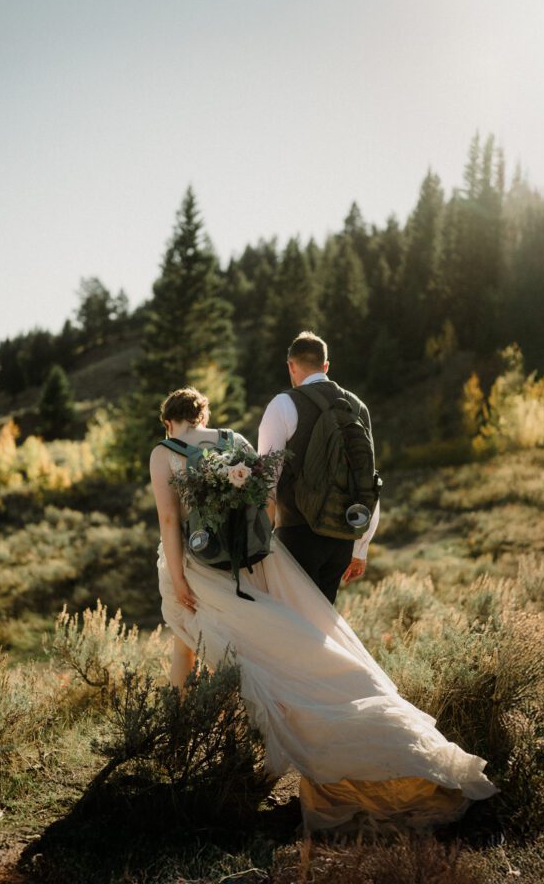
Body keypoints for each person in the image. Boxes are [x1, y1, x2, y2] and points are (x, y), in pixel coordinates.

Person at [150, 385, 497, 835]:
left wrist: (178, 578)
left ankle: (179, 736)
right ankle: (193, 731)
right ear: (203, 414)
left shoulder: (164, 452)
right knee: (227, 643)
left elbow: (169, 521)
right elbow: (265, 502)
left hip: (200, 565)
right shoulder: (233, 442)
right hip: (252, 563)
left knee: (202, 639)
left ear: (168, 420)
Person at [258, 331, 377, 603]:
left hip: (297, 533)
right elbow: (368, 477)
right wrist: (361, 548)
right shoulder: (358, 408)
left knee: (294, 627)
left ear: (291, 365)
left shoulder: (284, 404)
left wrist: (259, 545)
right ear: (326, 366)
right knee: (321, 625)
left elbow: (266, 482)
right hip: (342, 536)